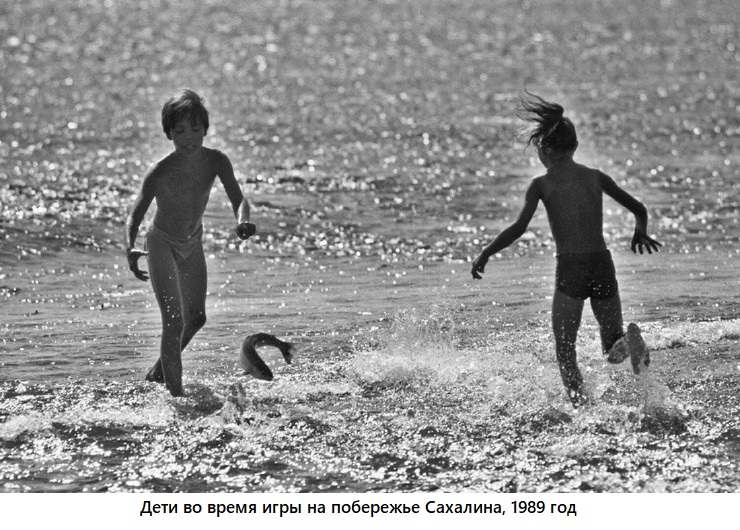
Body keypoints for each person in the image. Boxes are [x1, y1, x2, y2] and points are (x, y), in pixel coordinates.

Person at [471, 92, 662, 407]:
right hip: (601, 264)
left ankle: (581, 408)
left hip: (571, 269)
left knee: (565, 350)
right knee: (612, 348)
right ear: (574, 146)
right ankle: (629, 341)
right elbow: (639, 209)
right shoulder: (595, 177)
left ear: (544, 150)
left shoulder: (541, 185)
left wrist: (487, 253)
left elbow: (518, 228)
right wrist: (639, 232)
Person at [125, 89, 256, 397]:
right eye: (180, 131)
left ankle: (159, 372)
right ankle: (177, 397)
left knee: (196, 318)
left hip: (192, 241)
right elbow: (135, 214)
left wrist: (243, 221)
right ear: (169, 133)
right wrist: (129, 247)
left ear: (205, 129)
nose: (188, 138)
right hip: (161, 243)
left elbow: (239, 199)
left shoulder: (216, 161)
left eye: (195, 129)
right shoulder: (160, 170)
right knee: (173, 322)